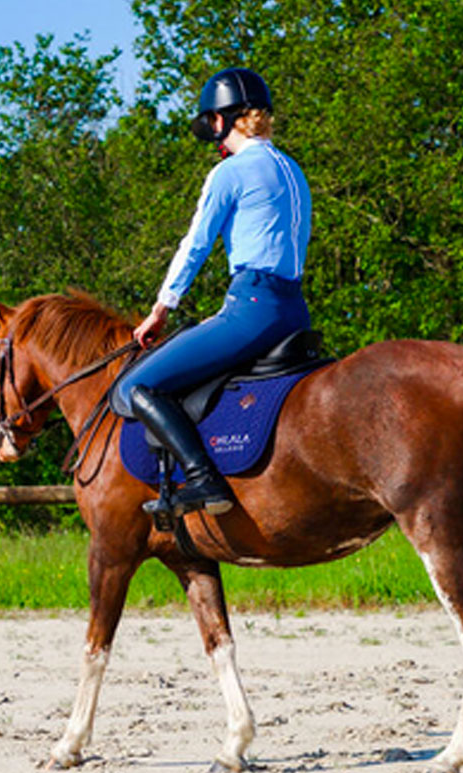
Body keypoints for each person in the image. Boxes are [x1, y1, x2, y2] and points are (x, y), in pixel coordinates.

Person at [113, 67, 312, 518]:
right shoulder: (292, 169)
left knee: (139, 384)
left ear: (220, 121)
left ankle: (203, 478)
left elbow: (196, 245)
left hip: (253, 309)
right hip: (294, 310)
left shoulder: (230, 172)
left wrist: (162, 309)